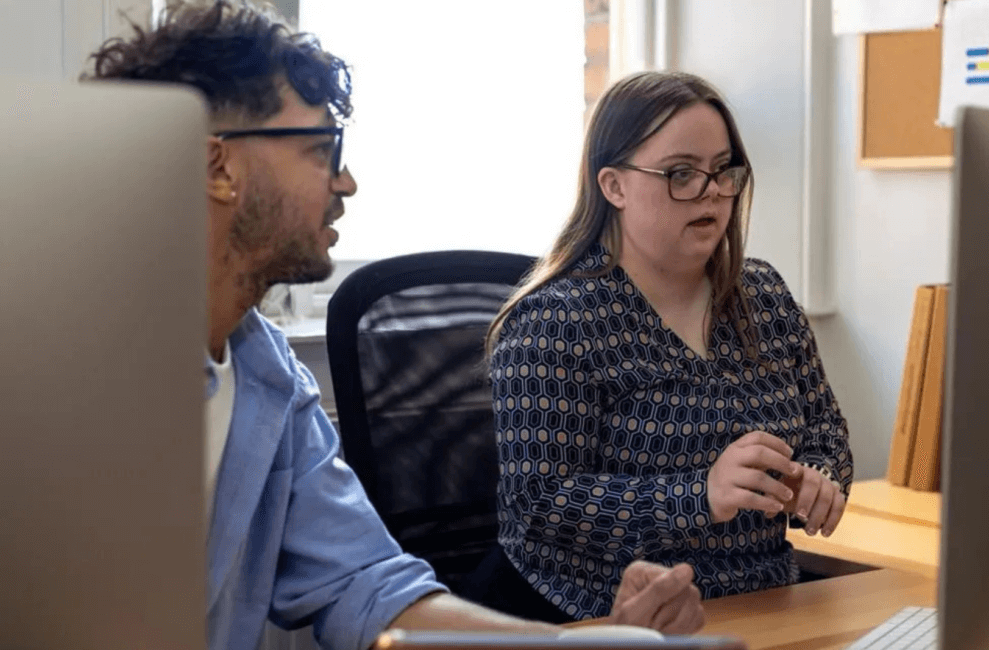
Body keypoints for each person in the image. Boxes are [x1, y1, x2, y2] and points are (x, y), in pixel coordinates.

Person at [84, 3, 704, 649]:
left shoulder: (270, 380)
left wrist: (579, 646)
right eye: (321, 150)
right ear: (219, 167)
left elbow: (370, 588)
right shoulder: (68, 367)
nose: (347, 181)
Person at [485, 71, 854, 621]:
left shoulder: (764, 295)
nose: (711, 191)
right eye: (681, 173)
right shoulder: (553, 321)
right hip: (605, 614)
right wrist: (699, 496)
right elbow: (540, 502)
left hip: (766, 598)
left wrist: (817, 480)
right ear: (614, 186)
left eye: (723, 170)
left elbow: (827, 432)